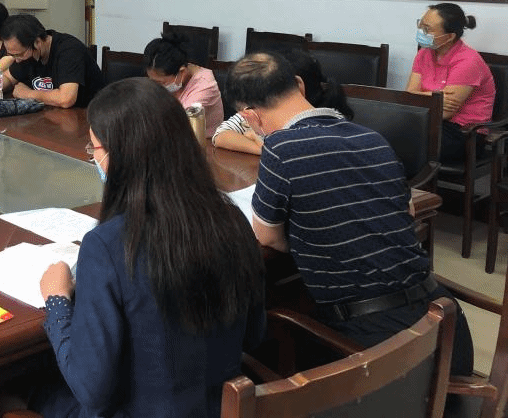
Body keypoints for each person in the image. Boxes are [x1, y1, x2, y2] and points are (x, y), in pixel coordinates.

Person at [226, 52, 474, 375]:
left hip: (378, 354)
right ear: (299, 85)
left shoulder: (280, 148)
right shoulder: (372, 138)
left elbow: (268, 237)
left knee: (262, 339)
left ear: (250, 116)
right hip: (445, 327)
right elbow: (407, 212)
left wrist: (308, 240)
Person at [31, 78, 264, 418]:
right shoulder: (231, 219)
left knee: (14, 390)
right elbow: (254, 335)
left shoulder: (107, 246)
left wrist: (56, 300)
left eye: (94, 148)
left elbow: (91, 390)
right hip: (219, 409)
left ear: (119, 157)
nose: (94, 158)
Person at [213, 49, 353, 154]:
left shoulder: (328, 124)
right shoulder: (256, 110)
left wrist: (264, 145)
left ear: (299, 86)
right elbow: (221, 135)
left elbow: (295, 152)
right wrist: (263, 149)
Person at [406, 3, 494, 166]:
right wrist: (436, 98)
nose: (421, 31)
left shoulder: (468, 61)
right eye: (420, 25)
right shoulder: (424, 53)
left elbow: (445, 113)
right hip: (430, 121)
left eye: (427, 29)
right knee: (390, 133)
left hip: (464, 133)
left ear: (449, 36)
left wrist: (421, 98)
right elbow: (409, 96)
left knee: (406, 143)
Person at [0, 15, 104, 109]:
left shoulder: (69, 50)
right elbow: (8, 77)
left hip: (88, 116)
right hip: (53, 115)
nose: (16, 60)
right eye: (12, 55)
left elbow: (66, 99)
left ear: (37, 42)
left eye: (19, 54)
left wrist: (28, 94)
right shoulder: (28, 53)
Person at [143, 31, 224, 137]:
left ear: (182, 72)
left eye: (161, 82)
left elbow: (174, 124)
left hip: (201, 142)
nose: (157, 87)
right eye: (153, 81)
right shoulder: (179, 69)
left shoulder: (206, 87)